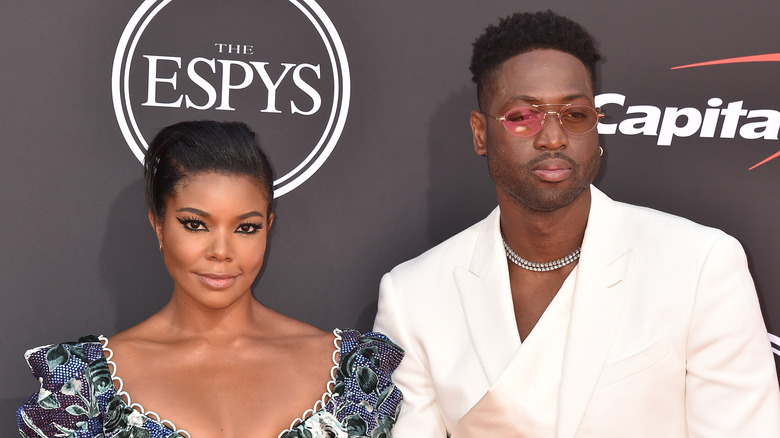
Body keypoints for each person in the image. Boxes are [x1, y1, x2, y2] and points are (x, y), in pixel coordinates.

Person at [373, 10, 780, 438]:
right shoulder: (413, 296)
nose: (553, 137)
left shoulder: (700, 265)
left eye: (575, 114)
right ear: (480, 133)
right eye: (522, 116)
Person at [18, 121, 403, 438]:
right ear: (158, 225)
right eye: (195, 224)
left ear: (268, 227)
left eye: (246, 228)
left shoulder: (356, 377)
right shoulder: (80, 387)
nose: (221, 250)